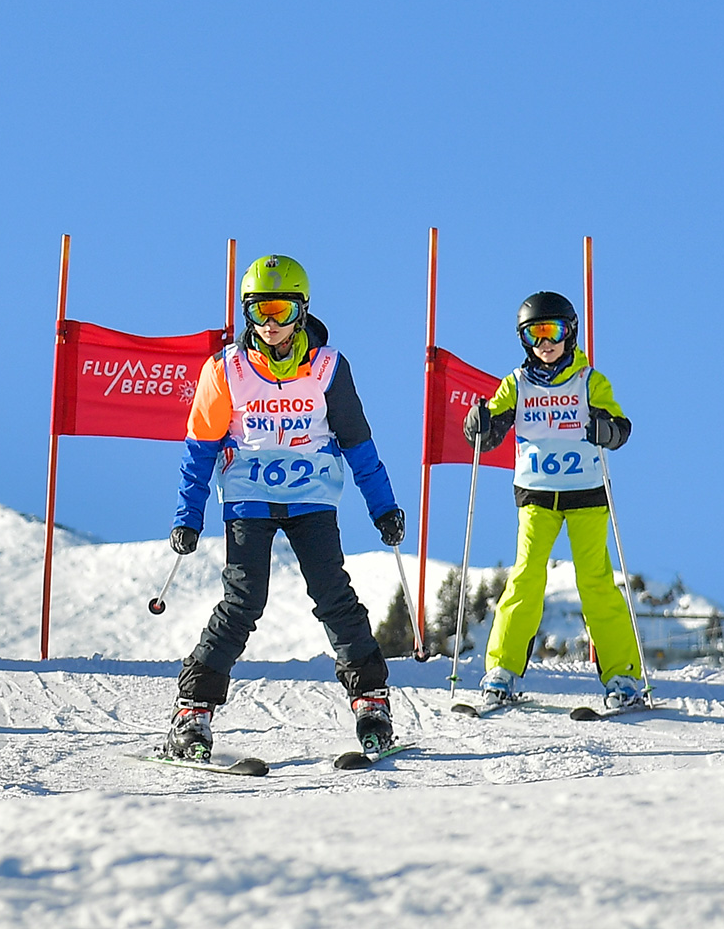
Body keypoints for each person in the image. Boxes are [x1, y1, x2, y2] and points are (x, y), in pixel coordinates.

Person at [169, 255, 407, 760]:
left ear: (301, 310)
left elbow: (359, 445)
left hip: (311, 498)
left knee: (332, 593)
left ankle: (371, 700)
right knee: (243, 601)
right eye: (260, 312)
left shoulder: (328, 368)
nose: (270, 325)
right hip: (249, 499)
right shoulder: (225, 370)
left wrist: (383, 507)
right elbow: (199, 451)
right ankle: (193, 709)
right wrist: (188, 516)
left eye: (280, 310)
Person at [461, 290, 644, 715]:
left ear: (570, 333)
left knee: (594, 580)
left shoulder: (589, 380)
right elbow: (489, 431)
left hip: (585, 493)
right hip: (536, 494)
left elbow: (620, 428)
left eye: (553, 332)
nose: (545, 344)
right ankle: (501, 671)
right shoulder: (518, 384)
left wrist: (606, 429)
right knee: (526, 576)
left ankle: (622, 676)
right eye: (534, 335)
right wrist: (479, 422)